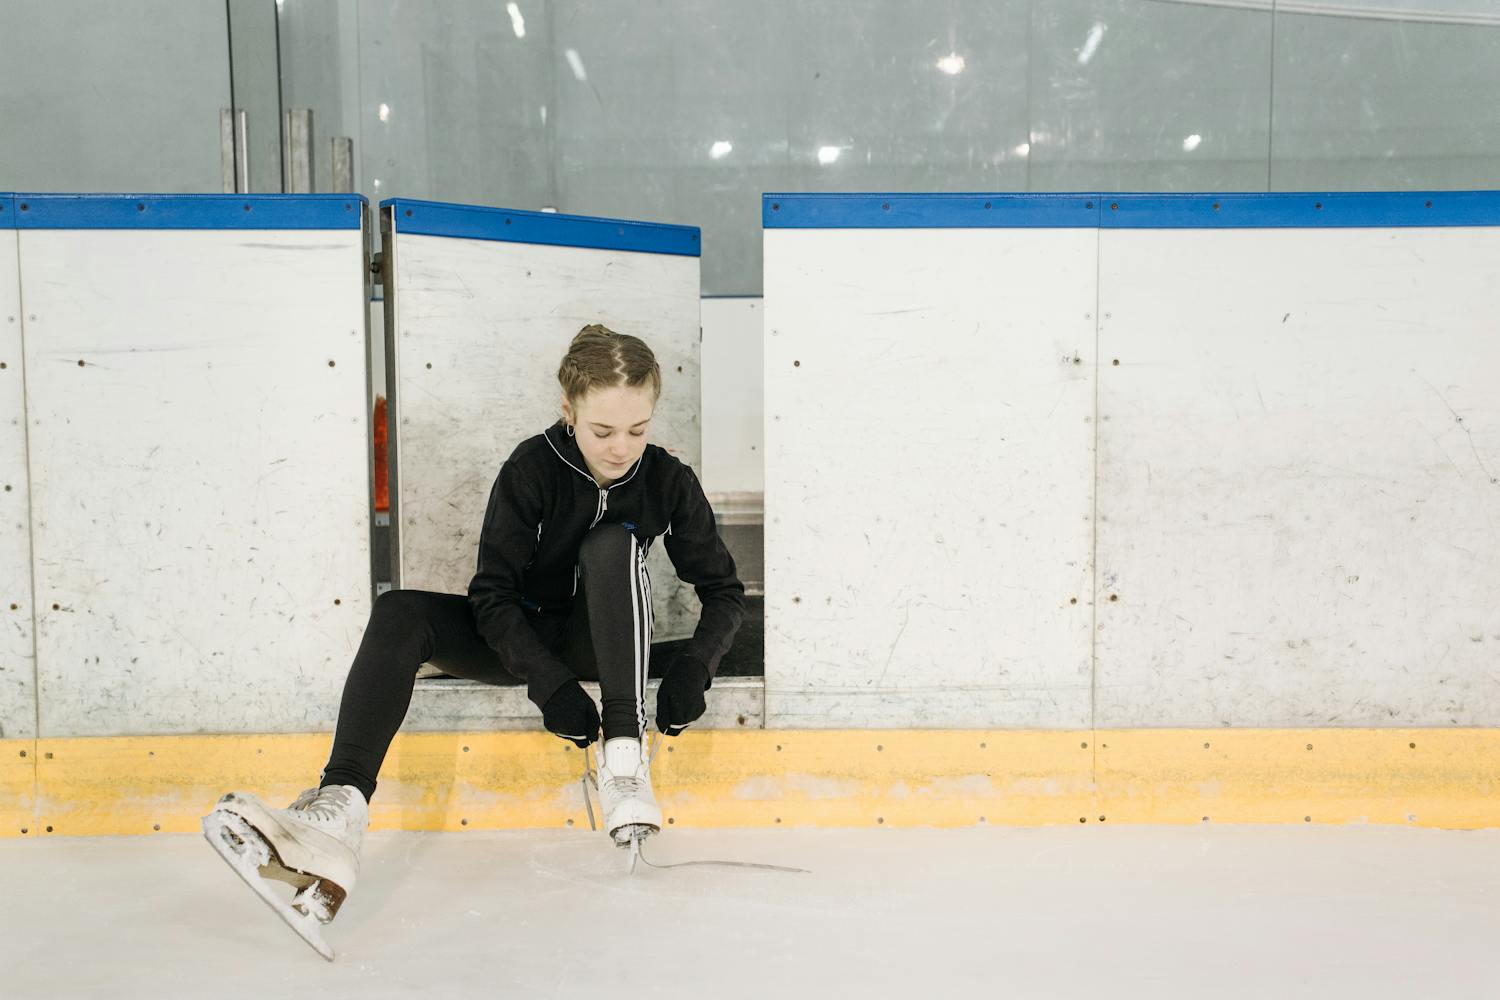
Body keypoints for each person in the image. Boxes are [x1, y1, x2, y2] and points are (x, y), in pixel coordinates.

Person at [203, 324, 746, 940]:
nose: (621, 447)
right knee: (399, 612)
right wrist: (549, 685)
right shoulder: (532, 467)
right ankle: (340, 814)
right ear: (567, 412)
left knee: (610, 543)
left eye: (637, 429)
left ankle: (623, 754)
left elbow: (724, 593)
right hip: (524, 641)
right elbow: (491, 594)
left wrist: (693, 669)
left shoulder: (667, 479)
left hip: (609, 639)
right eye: (602, 431)